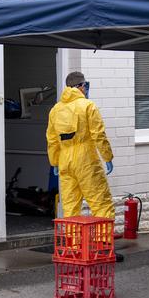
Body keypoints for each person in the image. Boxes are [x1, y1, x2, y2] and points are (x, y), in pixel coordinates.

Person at [46, 71, 123, 262]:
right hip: (85, 159)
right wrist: (107, 157)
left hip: (65, 160)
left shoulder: (56, 110)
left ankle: (74, 249)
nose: (87, 89)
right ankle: (103, 248)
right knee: (101, 202)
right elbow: (98, 134)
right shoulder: (88, 106)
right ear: (81, 86)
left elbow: (52, 139)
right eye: (86, 85)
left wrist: (55, 161)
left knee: (71, 205)